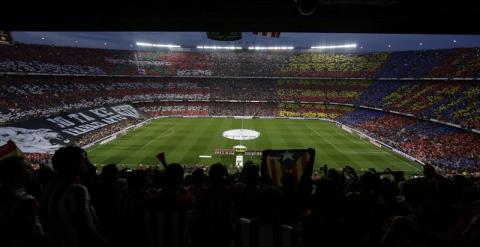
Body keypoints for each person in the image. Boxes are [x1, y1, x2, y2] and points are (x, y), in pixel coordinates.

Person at [42, 146, 107, 247]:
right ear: (71, 165)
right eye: (83, 161)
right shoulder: (76, 190)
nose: (87, 164)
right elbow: (87, 228)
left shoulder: (50, 185)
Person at [0, 156, 45, 247]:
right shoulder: (26, 201)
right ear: (16, 173)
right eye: (27, 167)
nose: (32, 170)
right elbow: (33, 235)